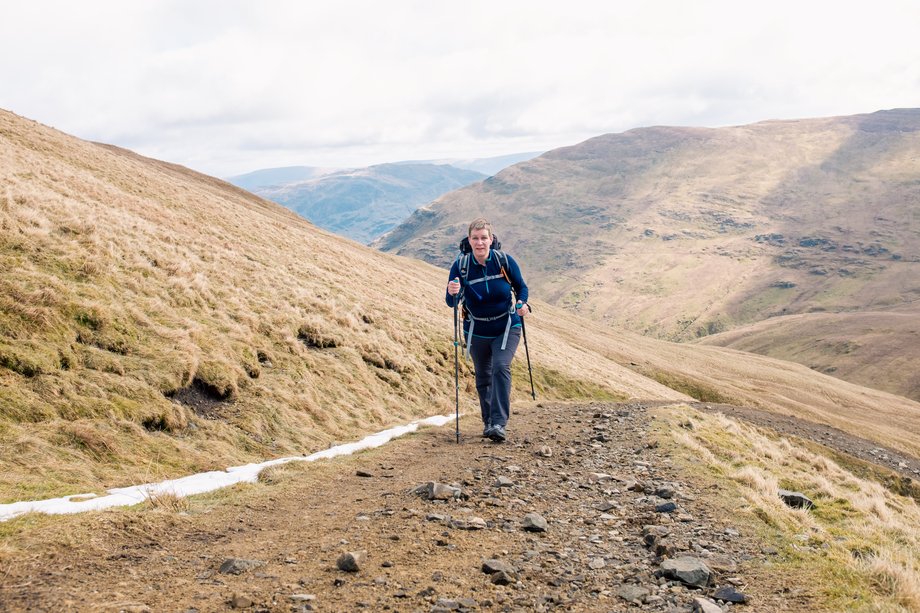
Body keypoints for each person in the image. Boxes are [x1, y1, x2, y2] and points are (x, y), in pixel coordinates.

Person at [446, 218, 530, 442]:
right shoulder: (461, 266)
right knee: (483, 376)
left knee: (501, 367)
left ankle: (499, 423)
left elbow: (521, 287)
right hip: (477, 330)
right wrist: (452, 291)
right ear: (469, 240)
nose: (480, 242)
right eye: (475, 238)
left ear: (491, 240)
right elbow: (451, 302)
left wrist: (522, 304)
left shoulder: (504, 261)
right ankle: (488, 423)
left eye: (484, 238)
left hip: (506, 326)